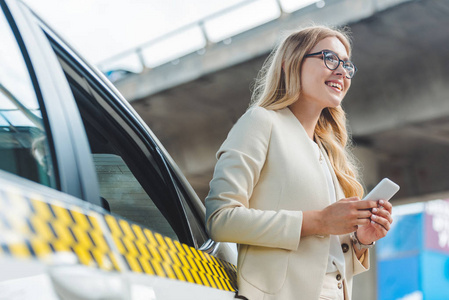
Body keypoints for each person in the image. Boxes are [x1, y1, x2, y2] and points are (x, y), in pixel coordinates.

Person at [205, 25, 393, 300]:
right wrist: (319, 221)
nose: (341, 71)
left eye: (347, 64)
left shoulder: (331, 152)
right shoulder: (261, 122)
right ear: (290, 64)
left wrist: (361, 240)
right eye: (330, 58)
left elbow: (326, 259)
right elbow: (220, 220)